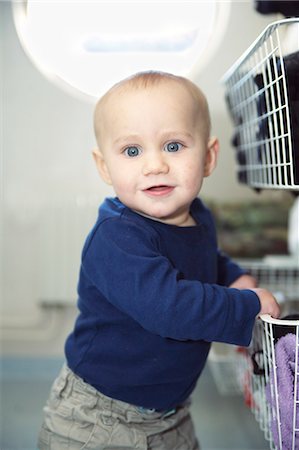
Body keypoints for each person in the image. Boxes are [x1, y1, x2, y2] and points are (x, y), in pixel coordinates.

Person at [38, 71, 280, 450]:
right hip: (100, 416)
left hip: (171, 410)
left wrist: (233, 277)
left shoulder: (198, 215)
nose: (154, 165)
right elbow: (169, 307)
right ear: (105, 167)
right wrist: (245, 305)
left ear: (208, 157)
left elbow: (204, 260)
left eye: (173, 146)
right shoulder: (117, 236)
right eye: (132, 151)